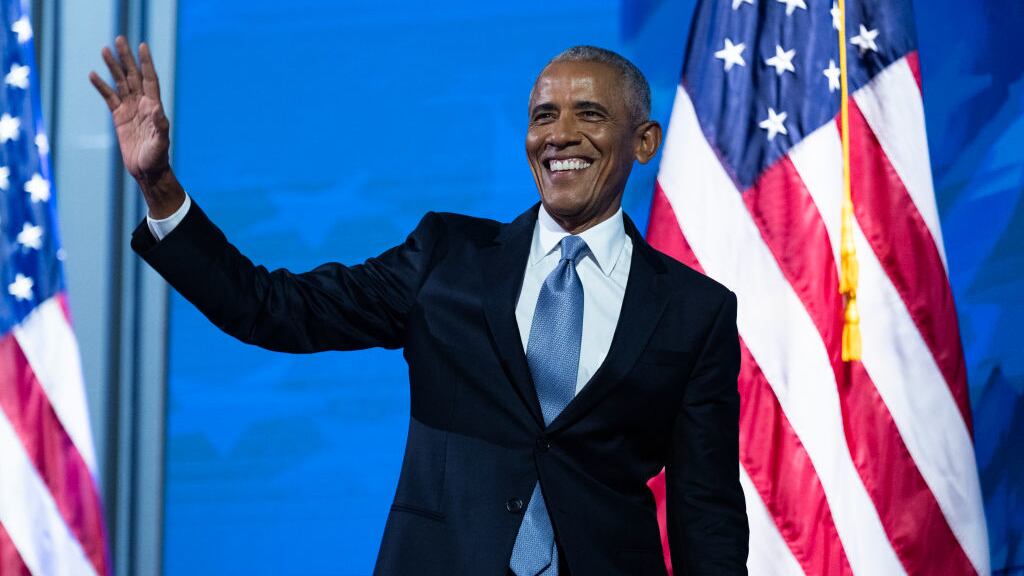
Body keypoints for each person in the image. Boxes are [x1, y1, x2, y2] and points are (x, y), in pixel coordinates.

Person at [91, 37, 748, 575]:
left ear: (644, 141)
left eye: (590, 114)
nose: (560, 135)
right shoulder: (447, 257)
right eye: (544, 115)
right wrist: (160, 186)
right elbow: (271, 308)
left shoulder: (694, 312)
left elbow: (705, 514)